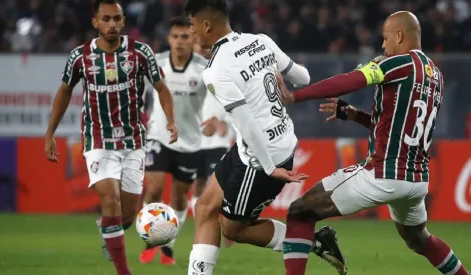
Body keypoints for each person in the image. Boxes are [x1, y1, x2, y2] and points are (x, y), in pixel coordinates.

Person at [279, 11, 469, 275]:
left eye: (386, 38)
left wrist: (295, 96)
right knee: (419, 239)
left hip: (383, 174)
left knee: (300, 212)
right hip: (416, 180)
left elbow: (351, 80)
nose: (383, 46)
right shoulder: (435, 75)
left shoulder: (400, 63)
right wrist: (355, 115)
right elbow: (398, 130)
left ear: (400, 36)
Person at [183, 1, 347, 275]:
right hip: (263, 146)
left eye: (191, 23)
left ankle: (316, 243)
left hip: (261, 160)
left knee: (233, 229)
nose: (191, 31)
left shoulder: (215, 69)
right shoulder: (260, 41)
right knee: (204, 207)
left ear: (206, 24)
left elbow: (246, 121)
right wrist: (286, 91)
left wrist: (270, 168)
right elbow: (303, 77)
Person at [44, 1, 178, 274]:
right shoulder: (80, 57)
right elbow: (64, 92)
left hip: (133, 141)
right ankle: (123, 271)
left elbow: (162, 88)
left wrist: (171, 121)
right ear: (95, 22)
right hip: (98, 139)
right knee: (110, 198)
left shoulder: (140, 52)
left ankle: (108, 229)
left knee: (126, 217)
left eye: (117, 18)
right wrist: (50, 133)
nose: (112, 24)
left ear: (123, 20)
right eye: (106, 19)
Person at [139, 16, 209, 265]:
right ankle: (149, 238)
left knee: (179, 199)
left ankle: (167, 244)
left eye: (185, 37)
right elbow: (135, 88)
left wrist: (218, 119)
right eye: (175, 36)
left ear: (193, 39)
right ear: (169, 39)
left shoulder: (204, 69)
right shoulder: (155, 64)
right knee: (154, 188)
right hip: (158, 135)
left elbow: (222, 97)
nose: (179, 41)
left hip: (190, 142)